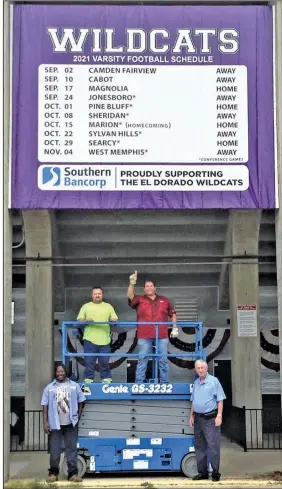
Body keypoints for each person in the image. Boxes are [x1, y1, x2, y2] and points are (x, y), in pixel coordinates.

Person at [127, 271, 178, 384]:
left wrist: (175, 328)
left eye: (151, 286)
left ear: (155, 288)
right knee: (143, 358)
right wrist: (132, 283)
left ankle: (164, 383)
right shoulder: (140, 299)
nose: (149, 288)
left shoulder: (164, 300)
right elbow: (130, 296)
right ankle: (139, 383)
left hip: (161, 334)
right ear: (144, 289)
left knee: (163, 359)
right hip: (144, 335)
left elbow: (173, 313)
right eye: (146, 286)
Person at [41, 363, 86, 483]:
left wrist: (77, 417)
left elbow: (81, 401)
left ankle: (73, 474)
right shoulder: (49, 388)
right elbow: (44, 406)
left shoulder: (74, 386)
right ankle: (53, 473)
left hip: (71, 424)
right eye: (58, 372)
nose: (60, 373)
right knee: (54, 450)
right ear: (55, 373)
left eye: (62, 371)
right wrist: (45, 423)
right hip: (55, 424)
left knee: (71, 449)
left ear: (66, 372)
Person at [189, 359, 226, 482]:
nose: (200, 370)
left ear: (206, 369)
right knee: (199, 446)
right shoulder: (196, 383)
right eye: (198, 368)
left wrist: (219, 416)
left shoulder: (214, 381)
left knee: (213, 446)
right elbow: (194, 402)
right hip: (198, 419)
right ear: (196, 369)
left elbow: (220, 400)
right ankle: (203, 473)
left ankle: (215, 473)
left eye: (202, 368)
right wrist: (191, 415)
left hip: (210, 419)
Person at [77, 286, 118, 383]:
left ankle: (106, 381)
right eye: (95, 294)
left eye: (99, 294)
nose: (97, 295)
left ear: (102, 295)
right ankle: (88, 381)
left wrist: (113, 320)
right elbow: (80, 320)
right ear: (92, 295)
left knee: (104, 362)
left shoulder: (108, 306)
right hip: (89, 340)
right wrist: (86, 320)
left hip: (104, 340)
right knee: (89, 362)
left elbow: (115, 319)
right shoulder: (86, 306)